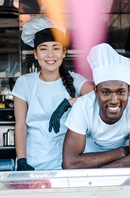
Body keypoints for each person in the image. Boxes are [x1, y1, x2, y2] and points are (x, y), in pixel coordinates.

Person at [12, 17, 93, 171]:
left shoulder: (75, 80)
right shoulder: (24, 83)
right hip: (32, 160)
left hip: (66, 162)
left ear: (64, 53)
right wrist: (22, 160)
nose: (50, 55)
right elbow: (21, 126)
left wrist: (68, 103)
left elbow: (99, 96)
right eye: (43, 49)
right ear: (35, 54)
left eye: (56, 48)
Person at [63, 43, 130, 169]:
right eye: (106, 92)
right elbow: (70, 163)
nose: (114, 100)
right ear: (95, 91)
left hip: (91, 169)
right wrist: (121, 152)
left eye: (121, 92)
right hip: (91, 176)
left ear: (129, 90)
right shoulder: (83, 107)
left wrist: (95, 169)